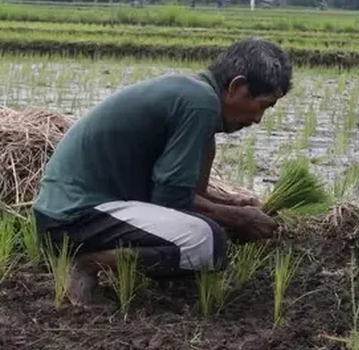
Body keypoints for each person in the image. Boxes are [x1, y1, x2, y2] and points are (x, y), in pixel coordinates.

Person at [33, 37, 293, 306]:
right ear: (236, 86)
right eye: (263, 105)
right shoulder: (200, 103)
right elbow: (170, 199)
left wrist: (233, 203)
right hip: (74, 216)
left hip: (67, 211)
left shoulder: (196, 98)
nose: (258, 119)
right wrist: (238, 219)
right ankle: (86, 264)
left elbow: (190, 193)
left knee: (206, 230)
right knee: (208, 242)